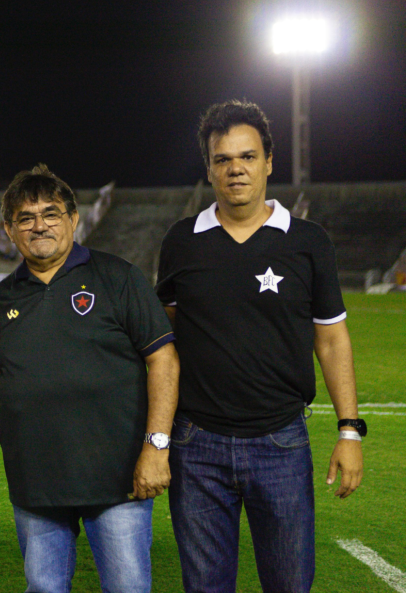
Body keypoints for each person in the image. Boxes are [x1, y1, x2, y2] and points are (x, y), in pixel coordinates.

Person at [0, 164, 179, 593]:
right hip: (36, 484)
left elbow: (164, 360)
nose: (39, 225)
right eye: (26, 217)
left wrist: (157, 446)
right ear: (9, 229)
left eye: (51, 213)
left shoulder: (118, 277)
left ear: (73, 219)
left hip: (117, 481)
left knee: (129, 589)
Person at [156, 100, 364, 593]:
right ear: (209, 168)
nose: (236, 169)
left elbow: (332, 338)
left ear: (269, 161)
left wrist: (350, 432)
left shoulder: (309, 241)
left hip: (281, 442)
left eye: (247, 157)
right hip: (196, 445)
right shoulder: (182, 240)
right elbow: (163, 338)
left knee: (290, 585)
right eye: (223, 159)